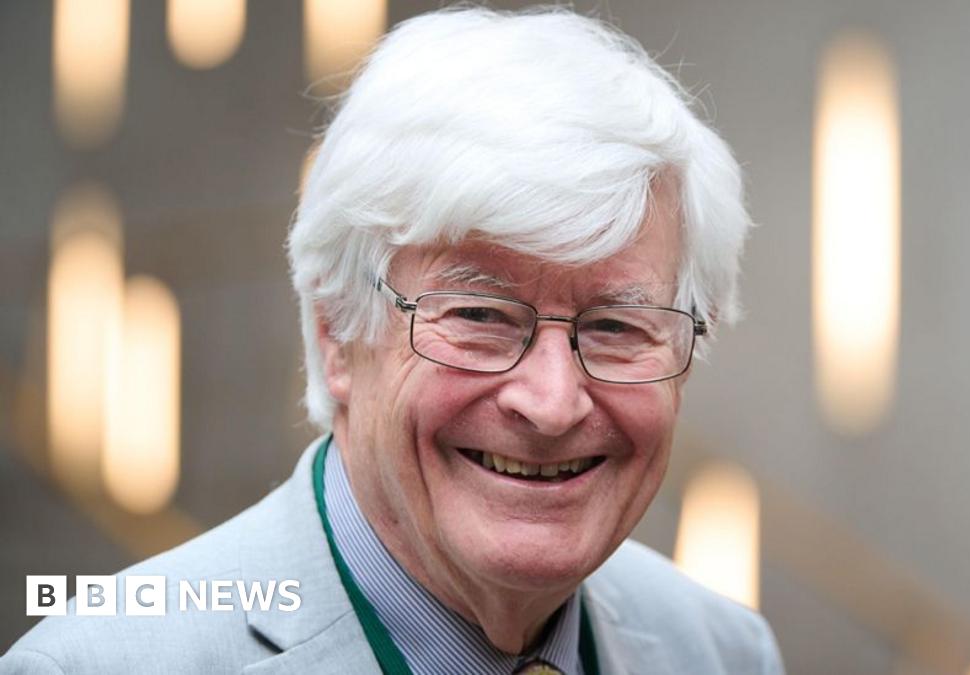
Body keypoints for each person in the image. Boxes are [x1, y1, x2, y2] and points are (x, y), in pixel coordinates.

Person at [3, 6, 783, 674]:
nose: (551, 403)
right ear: (337, 331)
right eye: (479, 316)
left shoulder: (719, 651)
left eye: (615, 326)